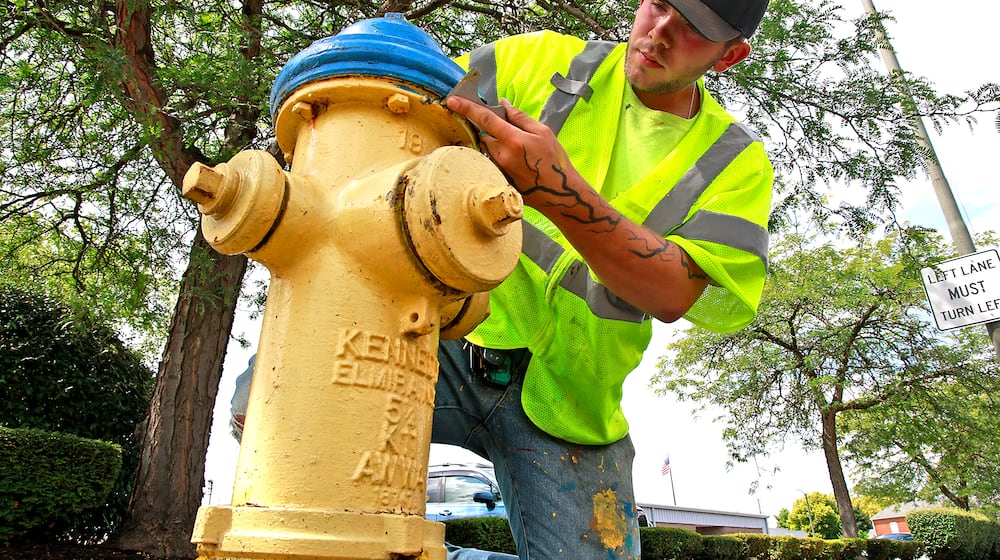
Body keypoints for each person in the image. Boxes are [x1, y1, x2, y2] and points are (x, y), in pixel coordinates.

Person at [233, 1, 772, 558]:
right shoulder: (536, 60)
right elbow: (404, 123)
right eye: (660, 4)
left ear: (729, 55)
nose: (660, 32)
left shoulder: (734, 163)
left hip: (568, 400)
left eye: (692, 29)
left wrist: (556, 189)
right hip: (443, 339)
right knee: (264, 406)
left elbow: (674, 292)